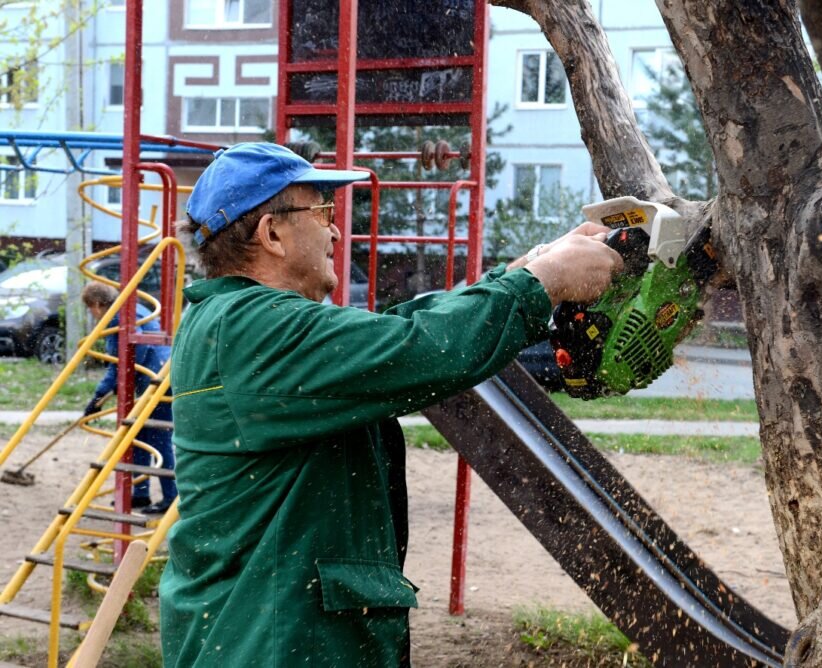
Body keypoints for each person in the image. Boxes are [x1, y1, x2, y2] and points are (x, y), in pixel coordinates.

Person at [159, 142, 622, 667]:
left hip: (266, 636)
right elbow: (420, 346)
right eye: (322, 212)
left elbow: (399, 331)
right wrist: (543, 283)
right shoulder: (254, 329)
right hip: (271, 644)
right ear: (271, 234)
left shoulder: (237, 322)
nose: (335, 230)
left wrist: (528, 268)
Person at [81, 281, 177, 514]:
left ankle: (171, 497)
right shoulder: (132, 308)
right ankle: (141, 493)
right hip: (159, 373)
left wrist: (99, 395)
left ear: (96, 304)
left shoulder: (118, 316)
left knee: (158, 437)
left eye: (90, 309)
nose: (92, 315)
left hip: (157, 381)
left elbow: (127, 355)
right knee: (139, 435)